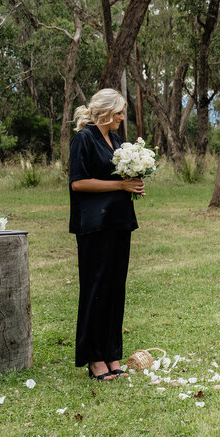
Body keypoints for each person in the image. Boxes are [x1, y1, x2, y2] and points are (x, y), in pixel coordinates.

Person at [68, 88, 145, 381]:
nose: (122, 118)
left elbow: (119, 179)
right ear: (104, 112)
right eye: (119, 112)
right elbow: (78, 183)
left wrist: (134, 184)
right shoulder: (83, 139)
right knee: (96, 289)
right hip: (93, 225)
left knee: (115, 289)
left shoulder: (116, 140)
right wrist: (119, 187)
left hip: (119, 221)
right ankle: (94, 358)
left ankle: (112, 354)